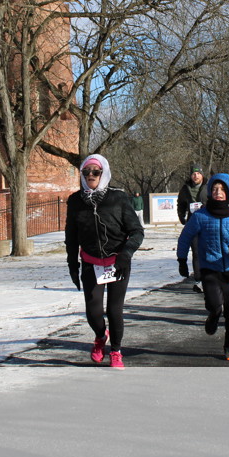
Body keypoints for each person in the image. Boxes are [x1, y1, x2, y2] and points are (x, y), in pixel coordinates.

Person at [65, 154, 145, 369]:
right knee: (93, 311)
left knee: (114, 310)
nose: (91, 175)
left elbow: (137, 231)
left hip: (117, 261)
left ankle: (116, 350)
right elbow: (71, 236)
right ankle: (101, 336)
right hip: (91, 261)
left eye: (96, 172)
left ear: (104, 174)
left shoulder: (118, 198)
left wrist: (125, 254)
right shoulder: (75, 201)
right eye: (86, 172)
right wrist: (72, 264)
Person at [177, 173, 229, 361]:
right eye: (215, 189)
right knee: (215, 304)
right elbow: (185, 237)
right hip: (210, 268)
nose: (218, 192)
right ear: (210, 192)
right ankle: (213, 314)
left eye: (222, 189)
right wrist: (181, 260)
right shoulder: (201, 216)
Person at [177, 165, 207, 292]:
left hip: (207, 222)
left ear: (202, 175)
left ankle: (210, 278)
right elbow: (181, 204)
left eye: (198, 173)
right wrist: (181, 216)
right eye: (194, 174)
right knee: (196, 251)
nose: (196, 176)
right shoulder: (185, 188)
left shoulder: (208, 186)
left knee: (208, 250)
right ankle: (199, 280)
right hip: (192, 222)